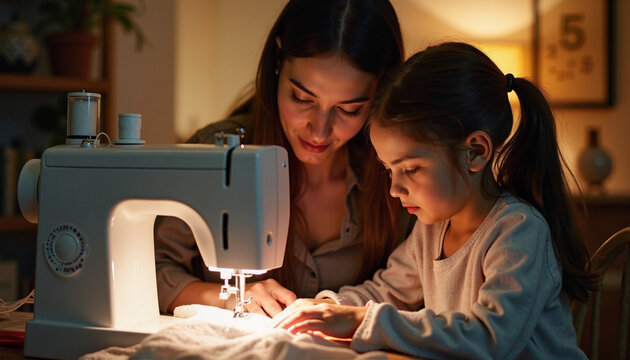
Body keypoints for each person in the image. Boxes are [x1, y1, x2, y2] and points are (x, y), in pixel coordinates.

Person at [273, 42, 597, 359]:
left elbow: (489, 340)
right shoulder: (431, 230)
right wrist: (327, 305)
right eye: (389, 171)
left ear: (476, 152)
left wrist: (361, 321)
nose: (394, 189)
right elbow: (387, 291)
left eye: (410, 169)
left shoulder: (519, 230)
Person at [155, 0, 414, 318]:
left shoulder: (400, 176)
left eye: (349, 109)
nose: (319, 131)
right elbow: (153, 269)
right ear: (278, 59)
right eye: (303, 98)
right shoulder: (219, 152)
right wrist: (232, 297)